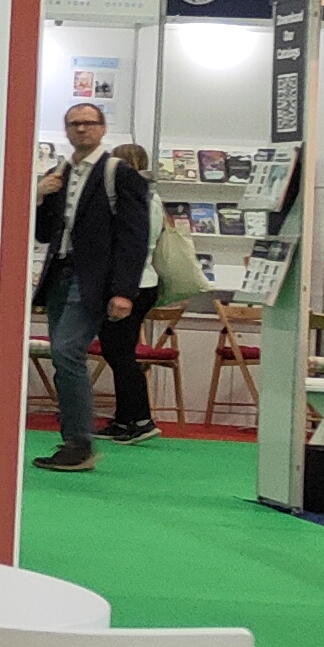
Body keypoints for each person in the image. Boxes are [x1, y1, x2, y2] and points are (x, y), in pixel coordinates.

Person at [30, 99, 149, 475]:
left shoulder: (119, 174)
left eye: (88, 122)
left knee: (67, 351)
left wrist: (124, 291)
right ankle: (73, 441)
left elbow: (134, 237)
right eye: (74, 123)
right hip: (60, 275)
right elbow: (44, 233)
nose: (81, 129)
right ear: (66, 130)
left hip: (94, 280)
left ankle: (79, 443)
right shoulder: (60, 172)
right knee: (62, 355)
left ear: (102, 128)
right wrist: (40, 195)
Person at [100, 142, 203, 443]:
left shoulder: (135, 197)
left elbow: (133, 241)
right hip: (144, 281)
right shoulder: (153, 197)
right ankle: (124, 419)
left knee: (119, 353)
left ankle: (141, 418)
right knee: (119, 351)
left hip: (133, 283)